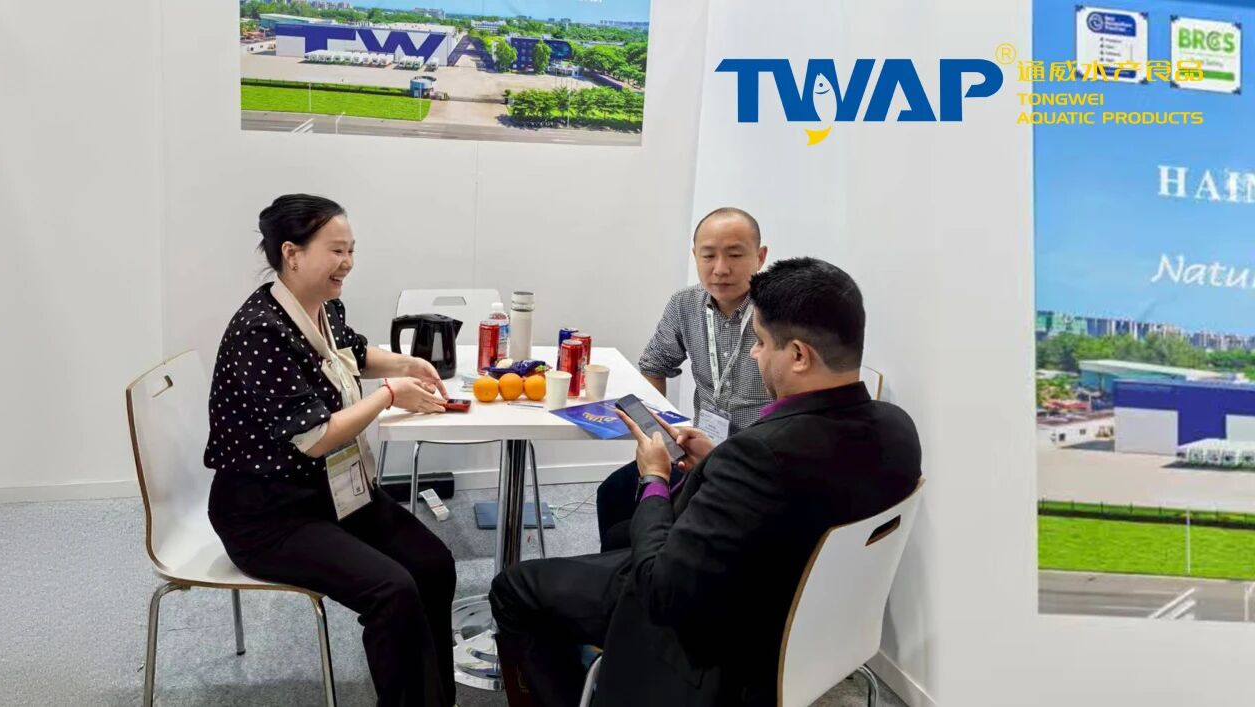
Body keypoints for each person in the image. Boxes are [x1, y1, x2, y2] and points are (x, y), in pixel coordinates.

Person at [490, 257, 923, 707]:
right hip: (808, 616)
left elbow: (660, 590)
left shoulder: (759, 453)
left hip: (715, 637)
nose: (755, 354)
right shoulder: (897, 429)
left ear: (798, 355)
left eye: (761, 342)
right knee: (619, 529)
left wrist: (655, 477)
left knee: (514, 587)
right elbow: (800, 498)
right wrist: (714, 464)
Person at [204, 194, 457, 707]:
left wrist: (406, 365)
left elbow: (353, 353)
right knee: (391, 591)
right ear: (292, 254)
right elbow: (317, 436)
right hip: (267, 515)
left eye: (351, 250)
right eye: (337, 251)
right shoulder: (261, 331)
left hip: (330, 492)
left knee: (433, 564)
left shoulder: (323, 307)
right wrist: (390, 396)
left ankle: (435, 699)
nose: (348, 262)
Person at [595, 207, 774, 551]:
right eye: (708, 255)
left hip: (753, 464)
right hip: (697, 451)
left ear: (760, 256)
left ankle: (657, 570)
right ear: (695, 255)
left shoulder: (778, 313)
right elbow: (654, 364)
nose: (720, 268)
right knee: (614, 493)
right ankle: (629, 577)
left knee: (638, 530)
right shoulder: (685, 305)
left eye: (735, 255)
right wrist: (658, 437)